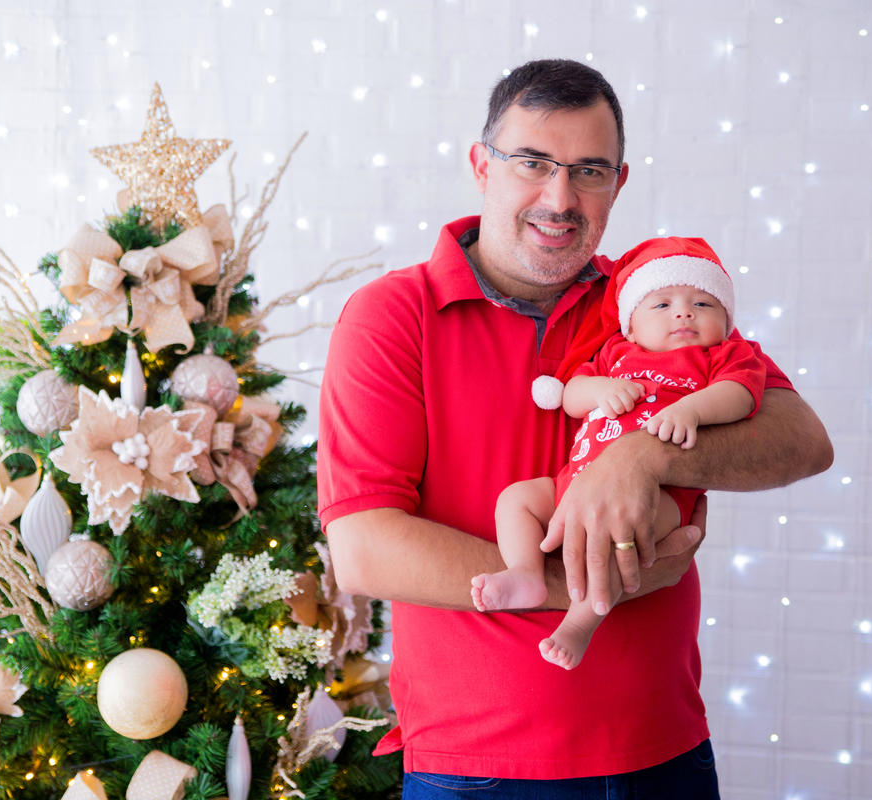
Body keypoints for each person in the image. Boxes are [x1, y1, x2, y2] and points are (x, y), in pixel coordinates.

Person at [318, 59, 832, 797]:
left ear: (619, 184)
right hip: (479, 769)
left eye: (589, 171)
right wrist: (578, 590)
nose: (559, 198)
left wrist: (640, 460)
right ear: (481, 167)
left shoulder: (655, 299)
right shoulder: (393, 316)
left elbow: (802, 440)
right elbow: (365, 550)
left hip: (665, 749)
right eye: (532, 163)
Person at [472, 237, 767, 672]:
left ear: (727, 321)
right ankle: (526, 573)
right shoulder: (616, 354)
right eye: (662, 304)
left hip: (660, 496)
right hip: (575, 482)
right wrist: (602, 389)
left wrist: (691, 408)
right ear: (630, 326)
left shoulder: (723, 355)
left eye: (703, 304)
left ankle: (579, 624)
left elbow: (741, 394)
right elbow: (572, 395)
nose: (684, 312)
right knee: (516, 499)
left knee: (615, 543)